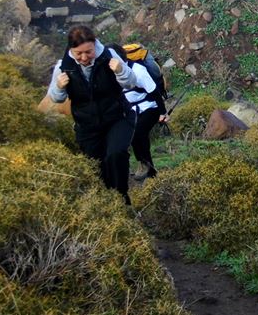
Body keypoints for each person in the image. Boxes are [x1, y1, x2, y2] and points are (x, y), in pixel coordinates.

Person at [48, 25, 138, 204]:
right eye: (78, 53)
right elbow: (56, 99)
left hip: (117, 117)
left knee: (115, 154)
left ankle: (121, 198)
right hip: (87, 125)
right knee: (95, 165)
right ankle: (106, 202)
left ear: (94, 44)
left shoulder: (109, 55)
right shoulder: (63, 67)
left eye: (88, 52)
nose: (83, 57)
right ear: (71, 50)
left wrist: (120, 70)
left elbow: (131, 83)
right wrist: (59, 86)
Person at [108, 43, 168, 181]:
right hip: (132, 110)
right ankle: (148, 168)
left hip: (151, 107)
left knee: (137, 132)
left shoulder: (138, 70)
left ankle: (145, 165)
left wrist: (163, 113)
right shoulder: (111, 74)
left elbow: (155, 92)